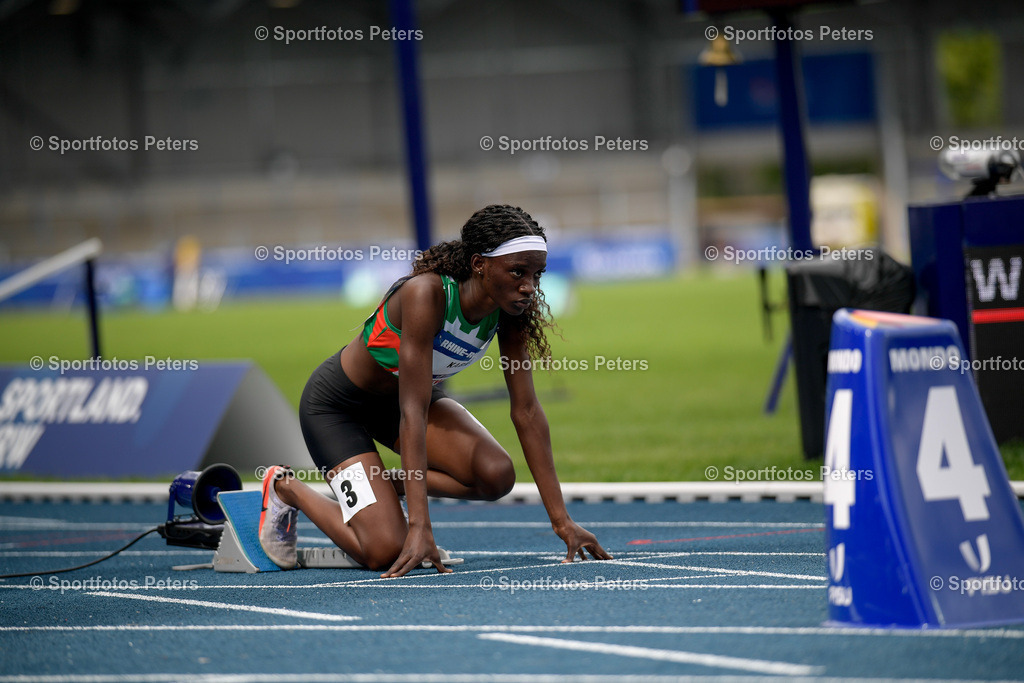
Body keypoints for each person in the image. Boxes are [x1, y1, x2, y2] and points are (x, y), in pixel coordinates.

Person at [259, 204, 611, 578]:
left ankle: (386, 487)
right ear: (479, 264)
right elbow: (414, 412)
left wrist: (562, 521)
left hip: (401, 405)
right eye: (518, 272)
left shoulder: (511, 310)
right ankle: (286, 488)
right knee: (384, 551)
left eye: (537, 274)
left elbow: (526, 411)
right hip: (339, 409)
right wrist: (420, 528)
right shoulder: (426, 294)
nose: (529, 286)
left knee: (495, 475)